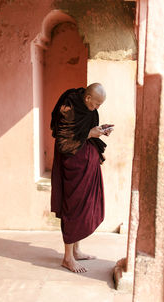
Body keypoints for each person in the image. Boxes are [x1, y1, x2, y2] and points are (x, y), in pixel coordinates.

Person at [50, 83, 113, 273]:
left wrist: (99, 131)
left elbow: (87, 128)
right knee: (73, 206)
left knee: (83, 206)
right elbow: (63, 140)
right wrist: (89, 133)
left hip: (86, 165)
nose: (97, 108)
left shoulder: (88, 107)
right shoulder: (68, 109)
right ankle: (67, 258)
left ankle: (76, 251)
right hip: (73, 166)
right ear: (87, 98)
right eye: (96, 104)